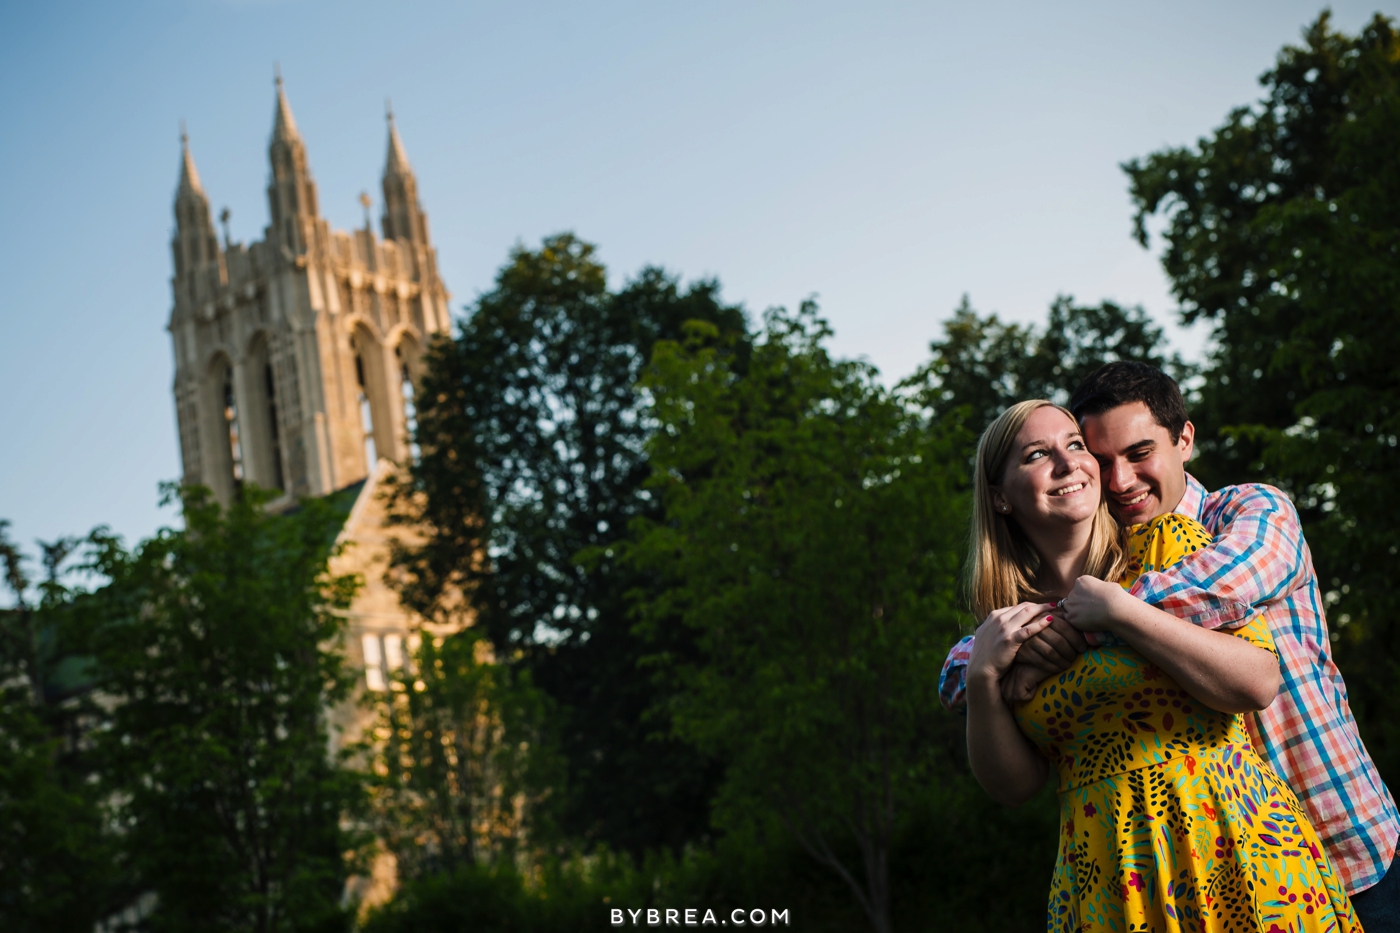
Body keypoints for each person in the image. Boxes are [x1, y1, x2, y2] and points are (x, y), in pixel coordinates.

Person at [943, 361, 1400, 930]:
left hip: (1335, 843)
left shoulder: (1243, 514)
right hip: (1136, 883)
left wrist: (1078, 623)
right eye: (1102, 459)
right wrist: (991, 658)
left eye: (1139, 453)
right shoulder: (1093, 572)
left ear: (1184, 439)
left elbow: (1215, 593)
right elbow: (965, 671)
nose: (1121, 480)